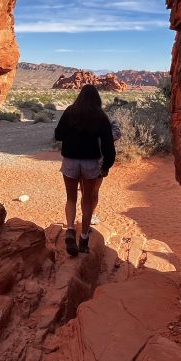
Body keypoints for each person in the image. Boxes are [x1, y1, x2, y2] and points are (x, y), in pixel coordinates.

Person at [54, 84, 116, 256]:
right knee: (87, 200)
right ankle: (83, 239)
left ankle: (71, 230)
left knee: (71, 198)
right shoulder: (100, 116)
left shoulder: (70, 111)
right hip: (91, 162)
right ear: (97, 98)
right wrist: (106, 166)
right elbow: (108, 146)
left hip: (70, 160)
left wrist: (72, 134)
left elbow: (58, 135)